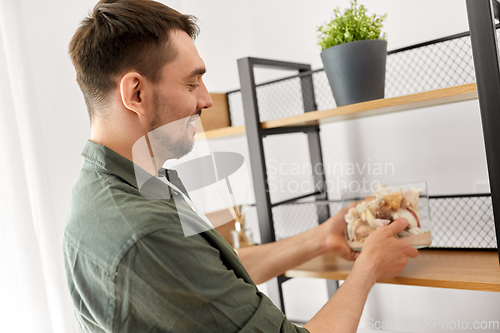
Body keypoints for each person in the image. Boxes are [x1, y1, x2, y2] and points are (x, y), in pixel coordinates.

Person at [63, 0, 419, 332]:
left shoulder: (121, 183)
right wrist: (368, 268)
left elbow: (209, 276)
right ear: (136, 94)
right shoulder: (142, 231)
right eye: (192, 83)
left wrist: (321, 238)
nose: (205, 99)